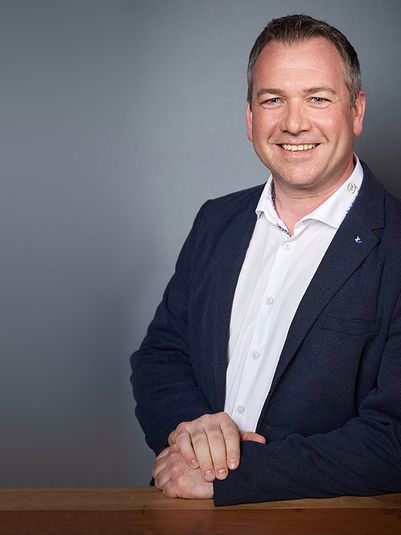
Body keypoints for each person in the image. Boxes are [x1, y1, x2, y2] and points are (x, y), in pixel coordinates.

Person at [130, 14, 401, 505]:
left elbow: (394, 438)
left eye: (318, 99)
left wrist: (232, 476)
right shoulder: (216, 222)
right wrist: (192, 434)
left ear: (357, 111)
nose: (294, 123)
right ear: (250, 118)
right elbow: (161, 356)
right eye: (273, 99)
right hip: (183, 512)